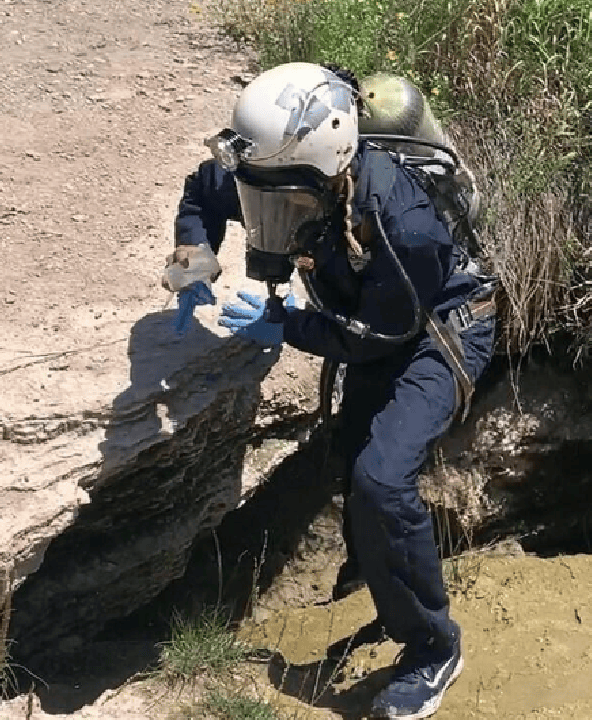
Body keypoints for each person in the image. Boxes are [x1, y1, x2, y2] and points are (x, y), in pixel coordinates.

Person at [166, 61, 495, 719]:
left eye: (285, 201)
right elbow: (201, 193)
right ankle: (376, 578)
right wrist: (191, 260)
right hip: (374, 317)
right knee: (352, 460)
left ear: (326, 168)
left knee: (380, 478)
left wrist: (284, 324)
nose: (267, 212)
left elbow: (382, 335)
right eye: (261, 195)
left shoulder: (401, 221)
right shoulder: (274, 173)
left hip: (438, 328)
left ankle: (433, 649)